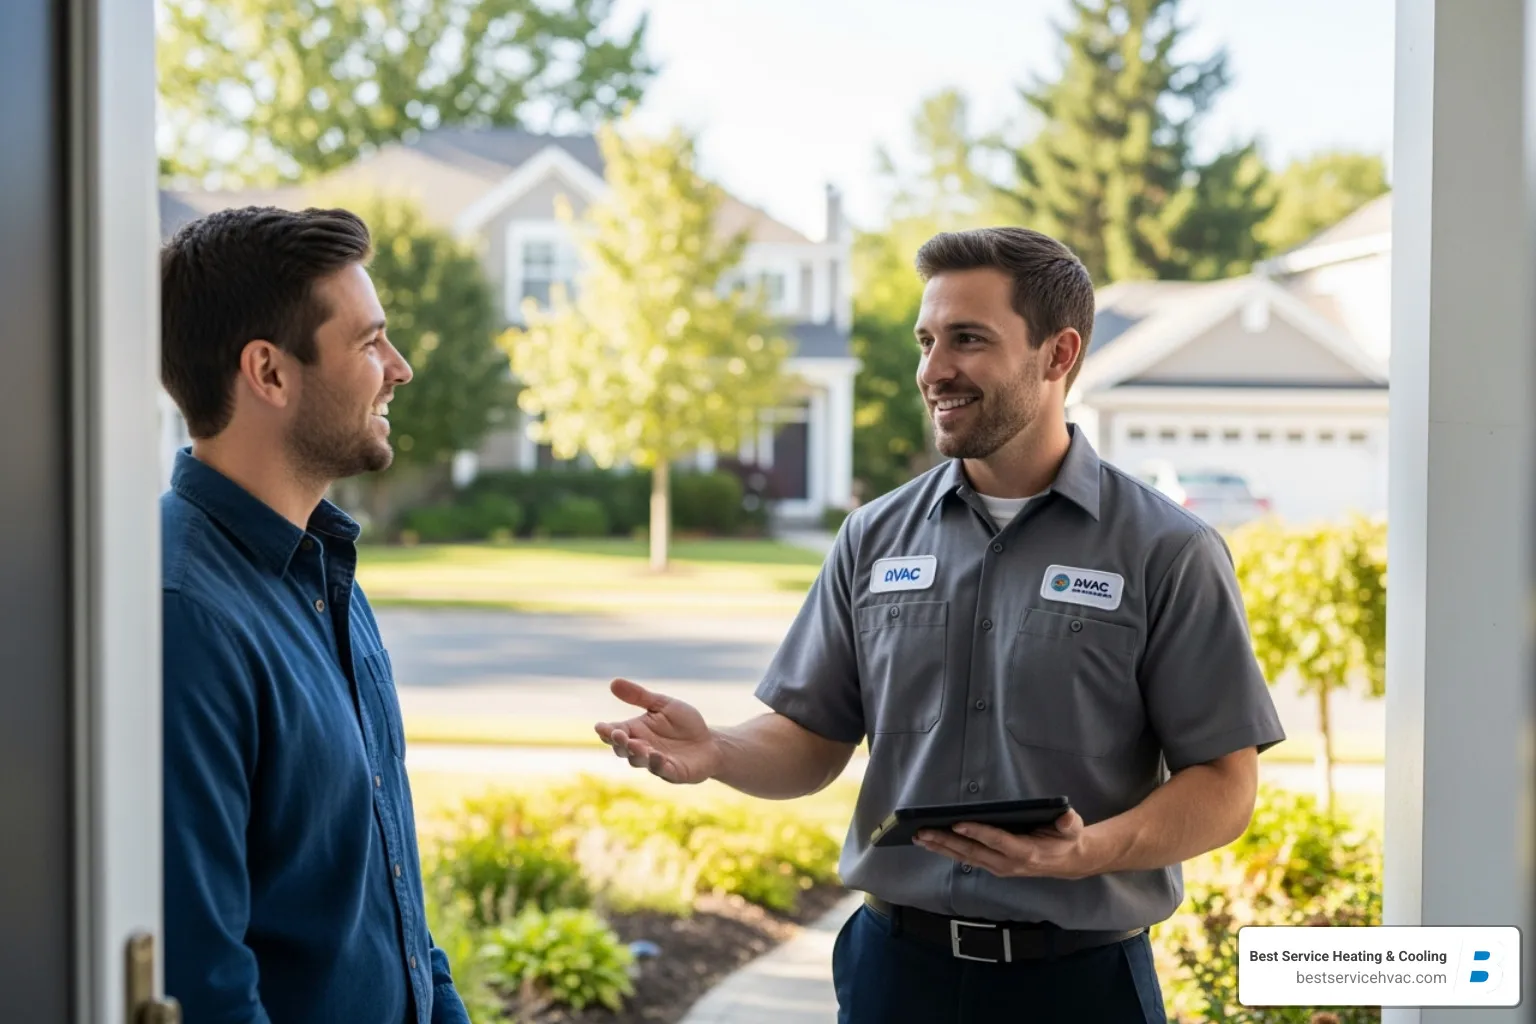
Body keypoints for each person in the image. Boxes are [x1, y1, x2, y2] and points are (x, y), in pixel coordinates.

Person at [594, 226, 1286, 1023]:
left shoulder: (1168, 551)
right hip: (895, 980)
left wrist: (1084, 853)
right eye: (927, 341)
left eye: (968, 339)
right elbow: (812, 739)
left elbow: (1225, 788)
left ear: (1058, 354)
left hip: (1079, 989)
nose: (933, 370)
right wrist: (718, 748)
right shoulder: (874, 537)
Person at [159, 206, 469, 1023]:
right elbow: (204, 984)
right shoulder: (183, 616)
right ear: (269, 372)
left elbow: (395, 901)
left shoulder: (325, 570)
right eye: (369, 343)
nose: (399, 369)